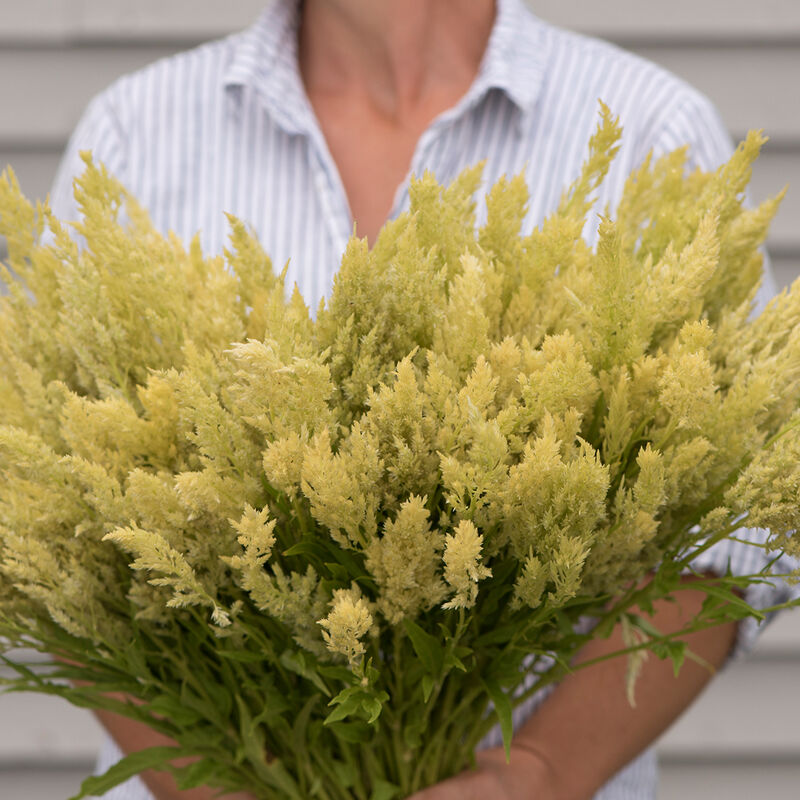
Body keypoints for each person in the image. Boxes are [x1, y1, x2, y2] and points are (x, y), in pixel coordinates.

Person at [49, 1, 796, 798]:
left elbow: (739, 531)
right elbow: (51, 530)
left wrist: (537, 773)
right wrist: (216, 784)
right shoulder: (132, 132)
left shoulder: (651, 127)